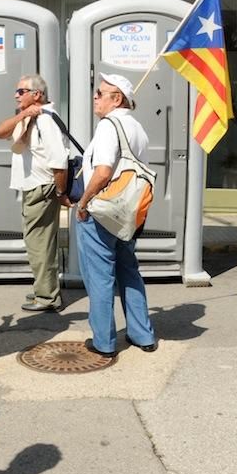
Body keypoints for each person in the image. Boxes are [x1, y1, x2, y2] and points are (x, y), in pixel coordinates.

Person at [74, 73, 158, 357]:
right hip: (130, 213)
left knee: (99, 277)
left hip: (103, 212)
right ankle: (142, 334)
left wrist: (83, 203)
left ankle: (104, 342)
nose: (95, 98)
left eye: (100, 93)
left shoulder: (109, 125)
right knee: (129, 271)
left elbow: (103, 171)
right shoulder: (137, 127)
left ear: (117, 98)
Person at [0, 74, 70, 312]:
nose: (16, 95)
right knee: (37, 242)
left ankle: (47, 297)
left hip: (42, 187)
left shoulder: (46, 120)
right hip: (34, 187)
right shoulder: (30, 117)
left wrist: (60, 192)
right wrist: (24, 114)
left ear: (37, 94)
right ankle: (43, 289)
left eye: (21, 91)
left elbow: (59, 161)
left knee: (40, 244)